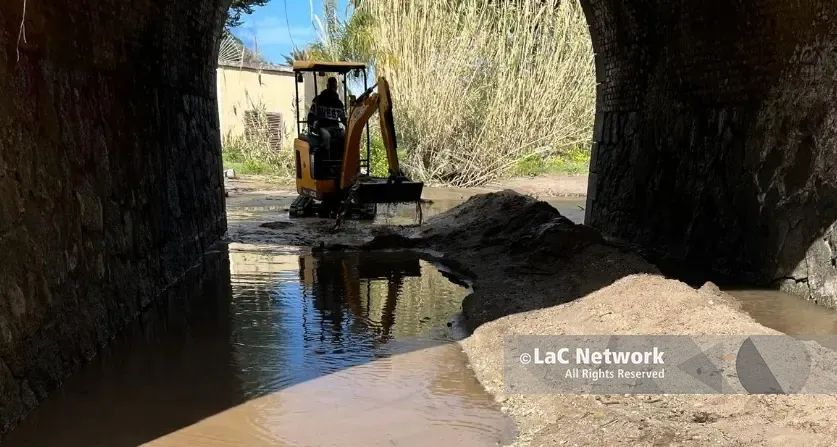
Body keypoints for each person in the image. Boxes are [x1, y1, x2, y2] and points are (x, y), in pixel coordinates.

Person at [307, 77, 347, 153]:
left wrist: (348, 125)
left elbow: (343, 119)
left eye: (334, 86)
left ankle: (343, 159)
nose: (332, 88)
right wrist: (311, 127)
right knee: (326, 136)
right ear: (327, 86)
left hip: (335, 128)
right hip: (323, 127)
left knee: (345, 135)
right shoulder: (319, 100)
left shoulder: (339, 103)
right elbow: (311, 115)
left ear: (336, 87)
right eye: (331, 86)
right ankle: (327, 160)